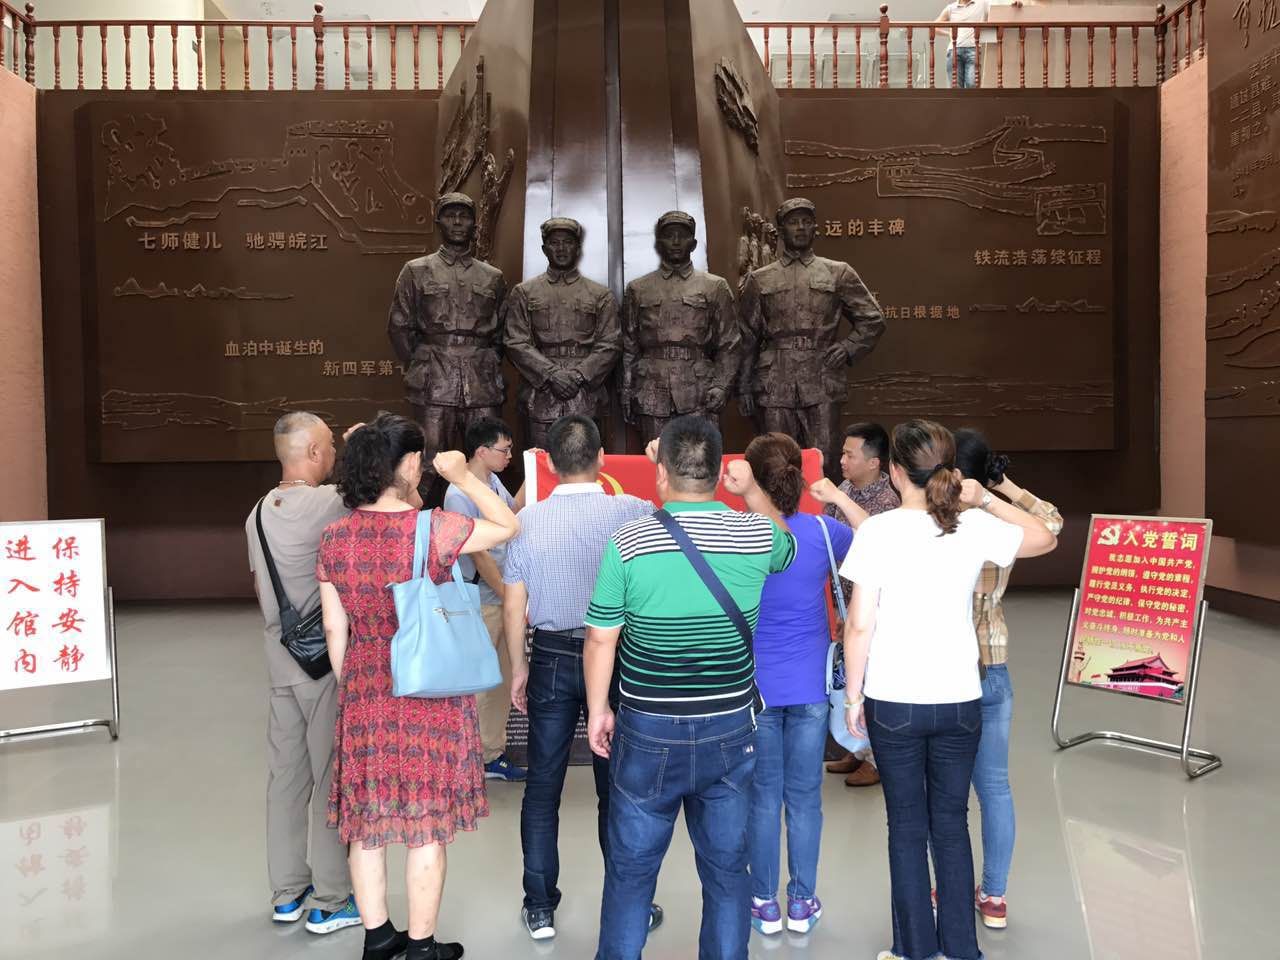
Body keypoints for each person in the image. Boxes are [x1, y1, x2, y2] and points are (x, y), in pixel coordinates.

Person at [838, 419, 1057, 960]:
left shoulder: (878, 531)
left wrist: (853, 696)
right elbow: (1045, 537)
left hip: (894, 701)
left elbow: (859, 625)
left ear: (894, 472)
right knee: (952, 824)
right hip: (960, 699)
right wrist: (985, 499)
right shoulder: (971, 526)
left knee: (906, 826)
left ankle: (914, 948)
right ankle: (961, 949)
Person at [584, 416, 797, 960]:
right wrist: (751, 491)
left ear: (661, 474)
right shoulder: (756, 534)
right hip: (730, 728)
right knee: (727, 872)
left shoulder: (629, 542)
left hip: (647, 727)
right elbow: (786, 546)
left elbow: (602, 637)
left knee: (630, 873)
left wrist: (599, 710)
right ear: (722, 471)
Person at [317, 413, 520, 960]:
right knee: (425, 826)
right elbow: (507, 526)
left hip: (365, 688)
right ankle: (422, 946)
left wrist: (355, 683)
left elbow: (335, 628)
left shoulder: (334, 537)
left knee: (367, 824)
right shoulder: (434, 529)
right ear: (409, 464)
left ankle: (378, 939)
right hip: (431, 690)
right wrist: (464, 476)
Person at [501, 415, 662, 941]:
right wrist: (658, 463)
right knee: (617, 789)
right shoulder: (633, 511)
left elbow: (514, 605)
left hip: (548, 655)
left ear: (549, 463)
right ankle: (630, 904)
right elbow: (675, 518)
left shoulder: (527, 521)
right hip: (617, 658)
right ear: (601, 460)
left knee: (542, 788)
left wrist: (519, 668)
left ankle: (539, 906)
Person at [734, 434, 855, 938]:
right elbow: (879, 543)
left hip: (755, 688)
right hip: (811, 687)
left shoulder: (738, 531)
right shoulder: (827, 531)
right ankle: (802, 902)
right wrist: (839, 497)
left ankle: (764, 902)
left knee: (763, 798)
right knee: (805, 798)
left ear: (754, 480)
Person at [245, 412, 360, 935]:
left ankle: (287, 892)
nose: (334, 452)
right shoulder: (330, 502)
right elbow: (387, 498)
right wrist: (363, 447)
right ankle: (332, 898)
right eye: (331, 445)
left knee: (286, 779)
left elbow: (262, 591)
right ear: (313, 452)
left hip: (280, 663)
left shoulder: (256, 514)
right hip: (322, 666)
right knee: (332, 776)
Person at [954, 428, 1063, 930]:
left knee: (946, 792)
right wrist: (1001, 489)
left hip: (945, 670)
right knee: (995, 787)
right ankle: (994, 896)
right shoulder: (999, 525)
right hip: (992, 664)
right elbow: (1050, 524)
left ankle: (947, 887)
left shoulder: (940, 524)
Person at [442, 417, 528, 782]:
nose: (509, 456)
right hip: (481, 598)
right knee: (477, 683)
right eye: (504, 450)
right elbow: (476, 552)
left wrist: (535, 474)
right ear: (481, 451)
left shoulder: (491, 482)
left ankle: (491, 754)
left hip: (501, 597)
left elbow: (513, 516)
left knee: (502, 680)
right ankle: (468, 758)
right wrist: (510, 595)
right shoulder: (459, 494)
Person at [823, 421, 901, 787]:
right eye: (842, 453)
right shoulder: (844, 489)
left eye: (849, 455)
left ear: (874, 462)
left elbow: (878, 544)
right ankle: (857, 749)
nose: (842, 461)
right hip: (845, 600)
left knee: (872, 682)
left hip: (875, 609)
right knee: (851, 677)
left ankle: (878, 758)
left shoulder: (889, 503)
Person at [936, 0, 1022, 89]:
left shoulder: (982, 4)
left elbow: (997, 11)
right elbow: (935, 28)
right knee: (955, 87)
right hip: (954, 51)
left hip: (973, 50)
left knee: (973, 85)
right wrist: (949, 34)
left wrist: (1013, 4)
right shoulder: (951, 8)